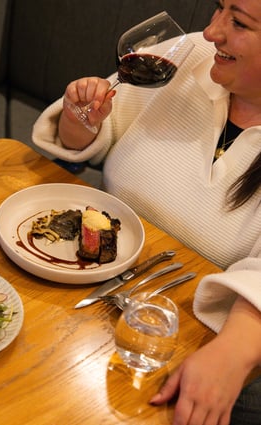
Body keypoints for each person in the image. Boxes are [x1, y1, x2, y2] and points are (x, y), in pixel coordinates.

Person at [32, 1, 261, 424]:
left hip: (204, 335)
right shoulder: (191, 55)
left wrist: (234, 352)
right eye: (218, 8)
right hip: (92, 285)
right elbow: (88, 129)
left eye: (239, 22)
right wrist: (82, 119)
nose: (211, 33)